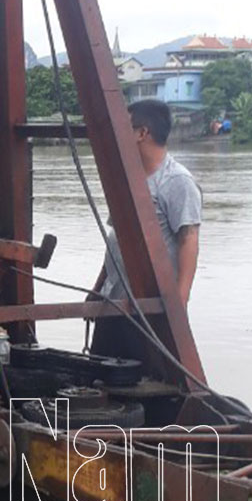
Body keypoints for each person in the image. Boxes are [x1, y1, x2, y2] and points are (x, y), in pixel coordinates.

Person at [93, 100, 202, 359]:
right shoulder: (128, 178)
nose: (117, 135)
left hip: (149, 306)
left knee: (143, 380)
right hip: (114, 301)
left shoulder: (177, 181)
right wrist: (97, 288)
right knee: (99, 376)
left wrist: (179, 303)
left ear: (142, 133)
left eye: (122, 128)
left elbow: (189, 240)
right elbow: (115, 238)